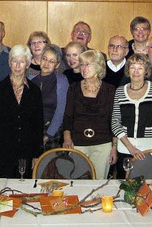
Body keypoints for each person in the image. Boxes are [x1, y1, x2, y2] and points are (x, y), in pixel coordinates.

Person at [0, 44, 43, 179]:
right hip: (3, 151)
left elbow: (38, 124)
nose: (17, 66)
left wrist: (36, 154)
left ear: (28, 64)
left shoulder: (35, 91)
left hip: (26, 151)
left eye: (22, 62)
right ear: (9, 63)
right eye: (14, 61)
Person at [112, 54, 152, 178]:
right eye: (132, 67)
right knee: (124, 185)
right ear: (128, 70)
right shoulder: (120, 91)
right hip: (125, 149)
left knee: (146, 186)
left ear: (146, 71)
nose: (136, 71)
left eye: (140, 68)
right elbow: (115, 122)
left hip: (149, 149)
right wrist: (131, 148)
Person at [63, 50, 116, 180]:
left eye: (88, 64)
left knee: (98, 182)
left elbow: (114, 120)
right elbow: (68, 116)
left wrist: (114, 146)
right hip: (77, 142)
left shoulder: (110, 90)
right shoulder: (73, 88)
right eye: (82, 65)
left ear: (98, 66)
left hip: (102, 144)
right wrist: (67, 139)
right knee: (77, 182)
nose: (84, 68)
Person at [29, 45, 68, 151]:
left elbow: (60, 111)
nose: (46, 64)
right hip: (31, 130)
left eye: (51, 61)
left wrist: (48, 135)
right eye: (44, 59)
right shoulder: (30, 80)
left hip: (53, 131)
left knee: (50, 166)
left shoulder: (61, 81)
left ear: (57, 65)